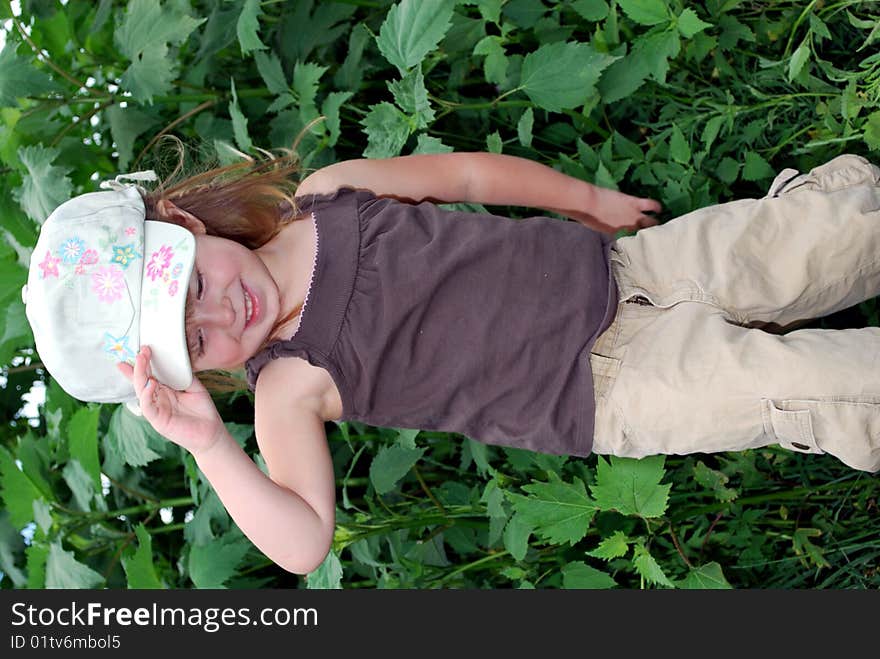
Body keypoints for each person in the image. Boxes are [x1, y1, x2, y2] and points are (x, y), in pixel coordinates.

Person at [23, 149, 880, 576]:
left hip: (636, 267)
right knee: (810, 388)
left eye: (194, 286)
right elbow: (302, 542)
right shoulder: (288, 384)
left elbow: (466, 176)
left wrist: (586, 199)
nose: (222, 313)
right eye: (196, 339)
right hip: (609, 389)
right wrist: (211, 445)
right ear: (190, 373)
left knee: (824, 237)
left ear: (188, 228)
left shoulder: (329, 195)